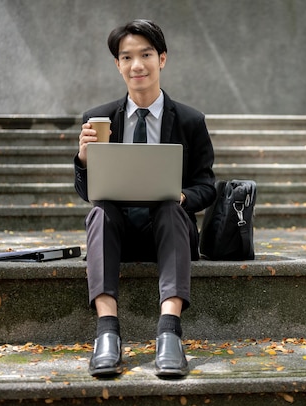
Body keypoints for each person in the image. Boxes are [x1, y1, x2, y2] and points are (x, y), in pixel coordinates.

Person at [74, 19, 216, 378]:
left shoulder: (190, 121)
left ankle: (169, 332)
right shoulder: (99, 119)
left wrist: (181, 195)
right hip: (118, 233)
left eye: (146, 54)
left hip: (169, 233)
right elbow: (86, 192)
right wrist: (83, 162)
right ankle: (107, 333)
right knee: (101, 211)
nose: (137, 65)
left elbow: (207, 185)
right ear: (118, 64)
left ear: (162, 59)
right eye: (127, 57)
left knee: (169, 207)